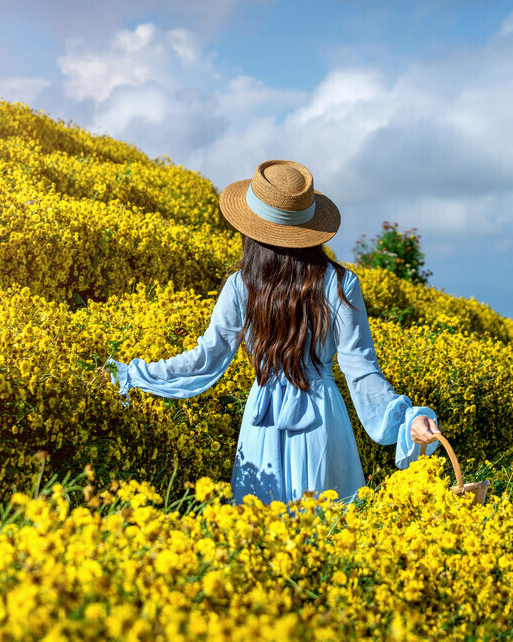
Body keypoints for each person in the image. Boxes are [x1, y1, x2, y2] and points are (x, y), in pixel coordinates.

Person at [101, 159, 441, 504]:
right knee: (326, 534)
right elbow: (361, 368)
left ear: (251, 228)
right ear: (310, 227)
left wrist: (132, 373)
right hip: (321, 418)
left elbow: (205, 358)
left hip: (262, 420)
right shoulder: (340, 283)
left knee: (262, 535)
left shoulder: (241, 285)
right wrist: (406, 419)